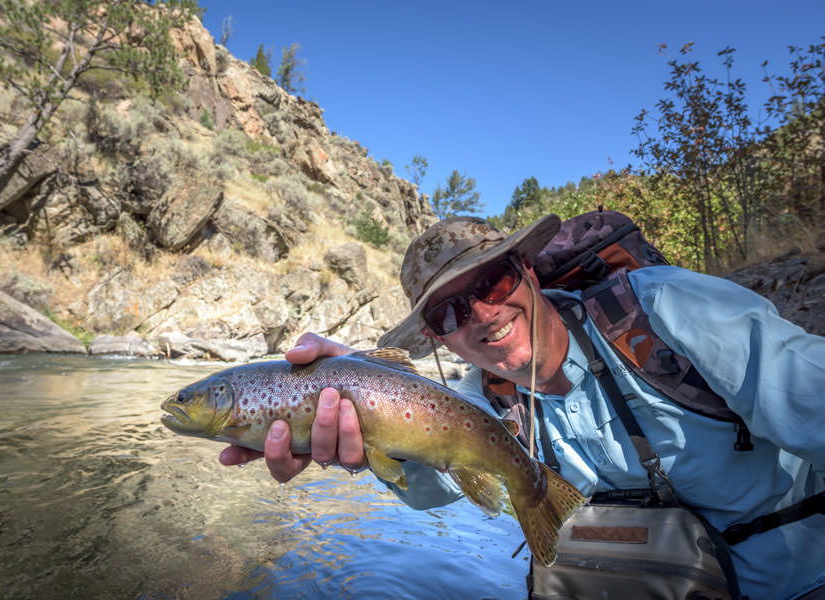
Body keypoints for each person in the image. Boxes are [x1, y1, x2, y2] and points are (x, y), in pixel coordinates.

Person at [219, 215, 825, 600]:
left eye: (490, 284)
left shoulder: (668, 312)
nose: (481, 315)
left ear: (527, 270)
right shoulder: (476, 401)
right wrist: (365, 411)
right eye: (450, 312)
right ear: (435, 337)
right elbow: (436, 486)